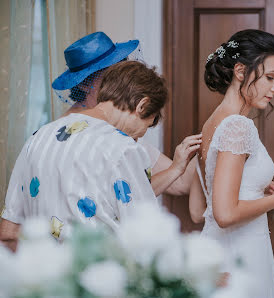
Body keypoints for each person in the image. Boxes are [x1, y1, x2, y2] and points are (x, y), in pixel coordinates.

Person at [0, 60, 183, 252]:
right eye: (147, 125)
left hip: (44, 277)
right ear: (142, 105)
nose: (138, 137)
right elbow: (146, 235)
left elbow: (8, 232)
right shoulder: (123, 147)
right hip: (100, 275)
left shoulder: (37, 137)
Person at [188, 29, 274, 298]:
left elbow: (200, 211)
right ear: (239, 71)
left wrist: (256, 190)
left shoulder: (212, 122)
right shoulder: (237, 125)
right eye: (270, 77)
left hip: (219, 251)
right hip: (240, 254)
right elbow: (224, 214)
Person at [51, 31, 200, 197]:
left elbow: (180, 184)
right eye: (111, 74)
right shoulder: (58, 136)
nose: (121, 80)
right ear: (84, 85)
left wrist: (213, 131)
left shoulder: (125, 126)